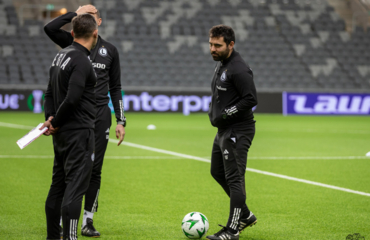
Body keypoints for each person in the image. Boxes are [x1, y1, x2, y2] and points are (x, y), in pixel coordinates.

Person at [44, 5, 126, 237]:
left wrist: (121, 119)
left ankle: (87, 221)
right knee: (74, 173)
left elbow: (116, 87)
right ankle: (66, 223)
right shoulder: (74, 48)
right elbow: (49, 28)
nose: (86, 19)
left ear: (99, 22)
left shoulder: (109, 50)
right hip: (77, 117)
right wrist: (75, 15)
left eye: (90, 17)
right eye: (83, 16)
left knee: (94, 169)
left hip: (99, 115)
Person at [41, 13, 98, 240]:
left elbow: (48, 93)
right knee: (74, 190)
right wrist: (55, 122)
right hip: (79, 133)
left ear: (73, 33)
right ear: (95, 33)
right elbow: (73, 98)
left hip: (62, 135)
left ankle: (53, 236)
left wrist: (51, 120)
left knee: (57, 186)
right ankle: (70, 237)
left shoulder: (60, 56)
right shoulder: (82, 60)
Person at [206, 25, 258, 240]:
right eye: (210, 44)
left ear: (231, 45)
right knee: (217, 172)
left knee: (235, 179)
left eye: (218, 45)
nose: (212, 49)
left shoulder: (238, 68)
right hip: (224, 130)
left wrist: (226, 113)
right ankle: (245, 214)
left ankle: (233, 229)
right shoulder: (222, 64)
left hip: (237, 130)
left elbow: (251, 99)